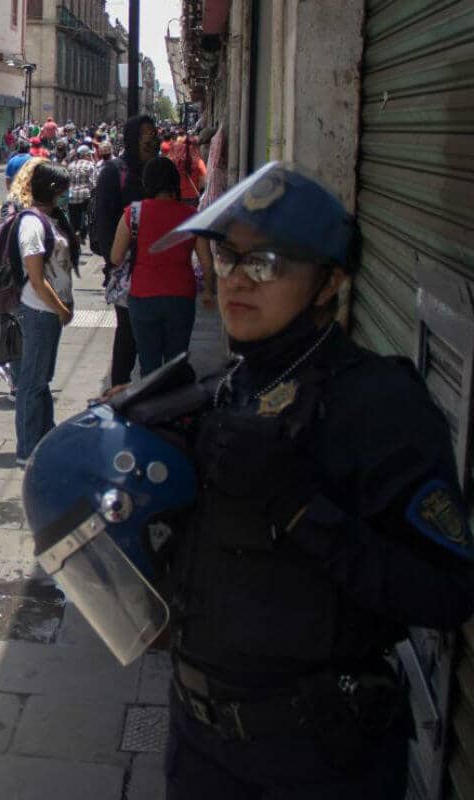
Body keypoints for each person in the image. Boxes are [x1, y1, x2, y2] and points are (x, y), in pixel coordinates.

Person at [133, 162, 474, 799]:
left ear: (329, 282)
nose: (236, 280)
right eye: (226, 257)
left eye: (266, 263)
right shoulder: (229, 386)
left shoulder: (378, 404)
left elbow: (447, 593)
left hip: (316, 759)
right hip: (199, 745)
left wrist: (297, 505)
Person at [110, 157, 214, 376]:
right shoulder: (192, 216)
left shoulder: (133, 214)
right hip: (181, 296)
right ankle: (174, 405)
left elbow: (116, 257)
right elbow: (206, 260)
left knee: (149, 364)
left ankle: (153, 405)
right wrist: (208, 292)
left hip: (142, 295)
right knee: (176, 362)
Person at [11, 161, 76, 465]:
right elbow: (37, 281)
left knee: (41, 379)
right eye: (63, 191)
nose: (67, 196)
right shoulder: (32, 225)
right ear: (52, 191)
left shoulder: (51, 219)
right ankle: (27, 449)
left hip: (50, 313)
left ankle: (45, 436)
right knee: (32, 382)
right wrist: (61, 309)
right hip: (39, 312)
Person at [92, 114, 158, 387]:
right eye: (144, 133)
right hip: (125, 270)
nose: (151, 137)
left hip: (156, 267)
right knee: (128, 334)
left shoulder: (159, 170)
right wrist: (113, 261)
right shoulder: (114, 171)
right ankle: (119, 391)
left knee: (152, 336)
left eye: (152, 132)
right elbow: (103, 223)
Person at [67, 145, 96, 243]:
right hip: (85, 196)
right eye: (89, 154)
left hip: (71, 196)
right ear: (84, 155)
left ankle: (75, 234)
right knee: (85, 217)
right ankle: (81, 233)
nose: (90, 156)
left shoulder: (70, 165)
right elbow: (93, 183)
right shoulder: (90, 165)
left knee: (74, 218)